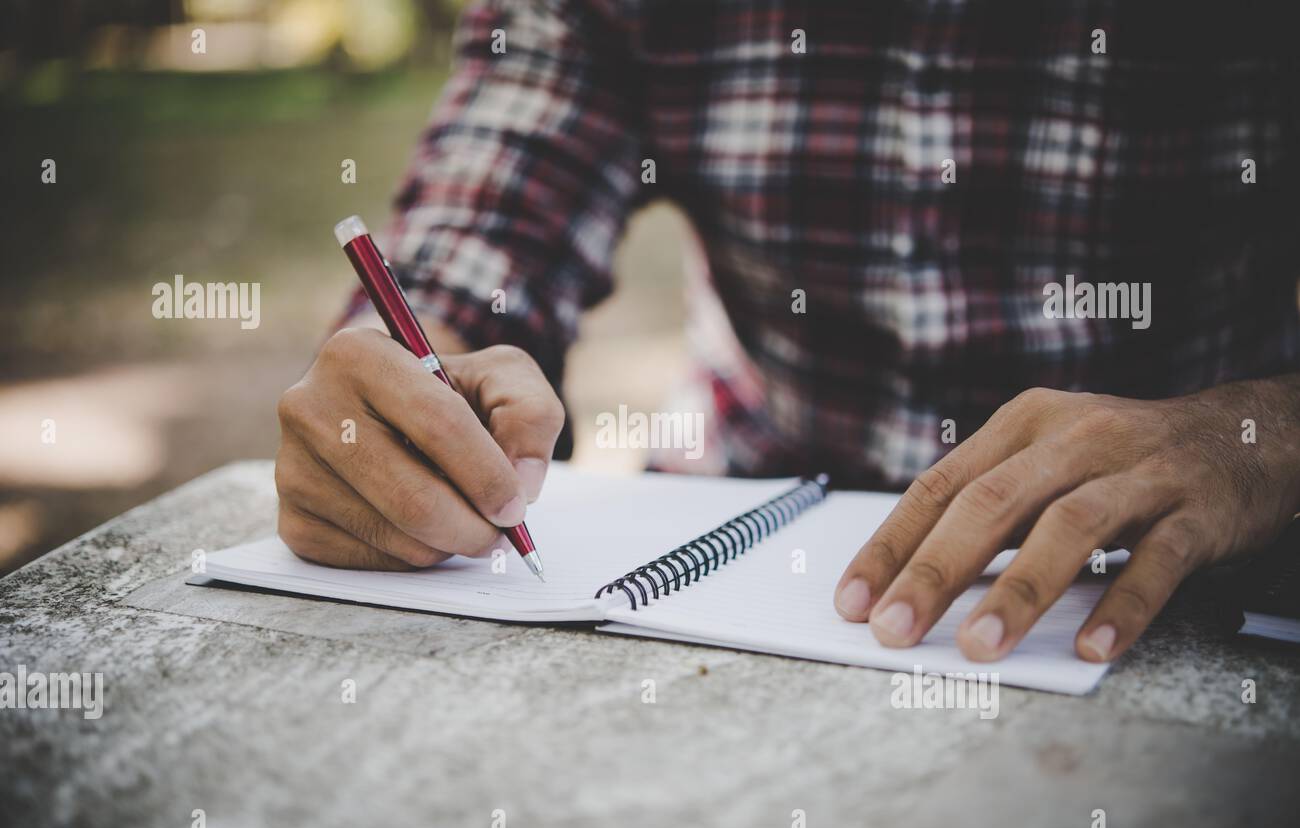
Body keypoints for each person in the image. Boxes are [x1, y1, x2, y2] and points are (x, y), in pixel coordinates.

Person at [273, 1, 1299, 664]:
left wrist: (1258, 436)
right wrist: (401, 395)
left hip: (1178, 589)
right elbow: (489, 227)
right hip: (727, 545)